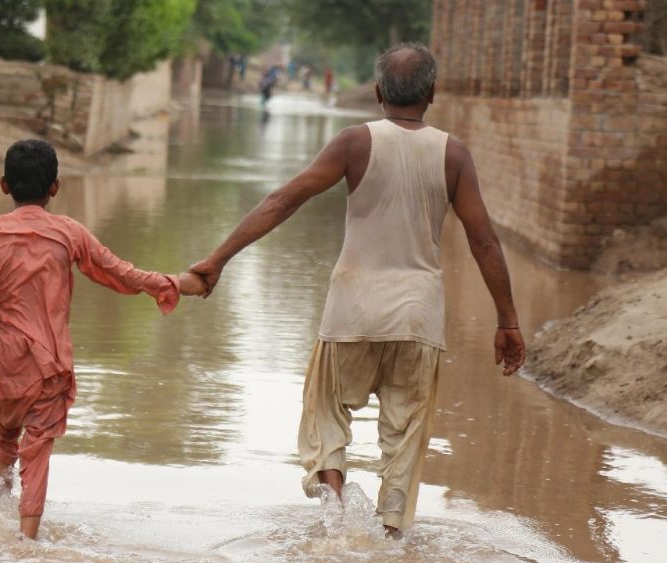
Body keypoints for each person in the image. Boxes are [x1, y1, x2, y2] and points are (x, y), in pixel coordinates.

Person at [190, 42, 526, 539]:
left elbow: (285, 200)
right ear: (432, 93)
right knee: (406, 434)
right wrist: (508, 321)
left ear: (376, 92)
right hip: (418, 317)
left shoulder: (355, 142)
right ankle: (390, 537)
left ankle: (336, 518)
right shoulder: (452, 153)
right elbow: (484, 240)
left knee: (325, 410)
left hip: (352, 309)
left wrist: (217, 260)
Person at [0, 139, 207, 539]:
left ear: (3, 185)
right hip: (47, 365)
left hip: (1, 360)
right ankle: (25, 546)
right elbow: (120, 273)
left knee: (2, 452)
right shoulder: (68, 233)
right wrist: (172, 284)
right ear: (55, 188)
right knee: (36, 457)